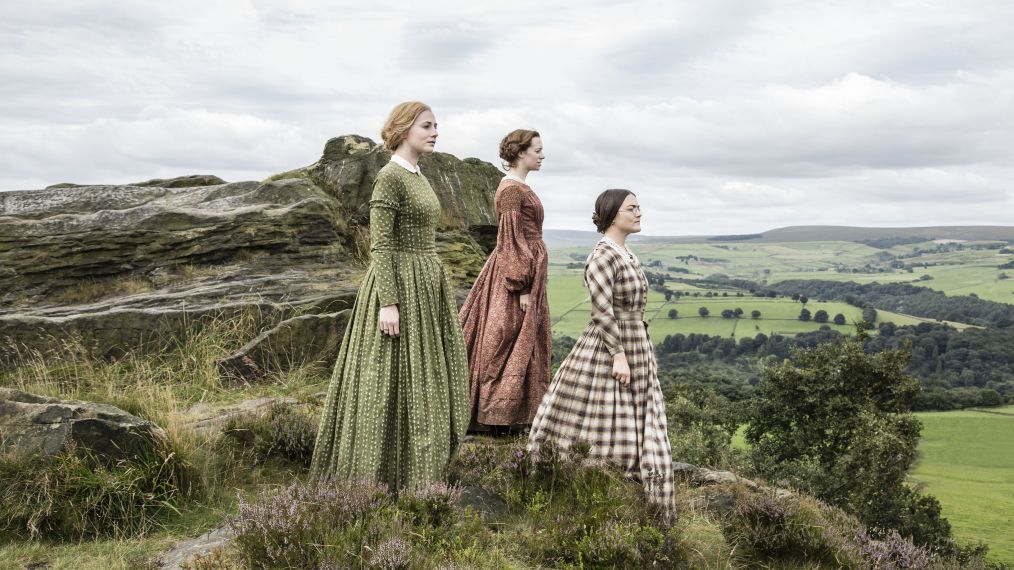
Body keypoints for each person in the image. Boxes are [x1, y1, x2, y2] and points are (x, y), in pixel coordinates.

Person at [311, 101, 468, 491]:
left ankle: (422, 468)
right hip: (398, 284)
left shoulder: (419, 174)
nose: (435, 132)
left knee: (425, 377)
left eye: (436, 126)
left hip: (425, 283)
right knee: (388, 382)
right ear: (403, 129)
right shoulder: (390, 177)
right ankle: (378, 477)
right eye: (427, 126)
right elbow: (380, 246)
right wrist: (388, 302)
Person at [527, 189, 676, 520]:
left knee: (638, 412)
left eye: (639, 207)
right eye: (632, 208)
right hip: (612, 344)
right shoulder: (603, 256)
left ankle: (636, 485)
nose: (639, 213)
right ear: (612, 214)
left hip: (635, 341)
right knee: (604, 410)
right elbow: (602, 310)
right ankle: (599, 483)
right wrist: (618, 354)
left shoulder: (624, 253)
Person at [459, 129, 551, 434]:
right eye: (537, 150)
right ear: (521, 152)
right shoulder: (512, 190)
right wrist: (522, 284)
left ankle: (516, 415)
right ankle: (497, 416)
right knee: (507, 337)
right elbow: (510, 239)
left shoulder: (519, 186)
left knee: (522, 340)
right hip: (516, 275)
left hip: (527, 271)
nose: (541, 155)